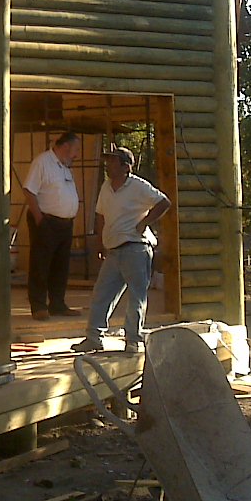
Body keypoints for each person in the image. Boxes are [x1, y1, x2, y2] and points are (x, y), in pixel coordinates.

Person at [74, 145, 170, 353]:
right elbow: (100, 215)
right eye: (108, 161)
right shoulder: (106, 186)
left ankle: (133, 340)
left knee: (136, 296)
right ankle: (94, 338)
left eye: (113, 161)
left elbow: (164, 202)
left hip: (136, 248)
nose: (108, 165)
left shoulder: (138, 186)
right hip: (114, 249)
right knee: (102, 293)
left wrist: (145, 223)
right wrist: (100, 241)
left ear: (126, 167)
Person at [21, 131, 82, 320]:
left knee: (60, 266)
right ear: (66, 146)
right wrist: (39, 219)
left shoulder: (65, 166)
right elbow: (29, 190)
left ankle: (57, 304)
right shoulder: (43, 162)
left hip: (65, 224)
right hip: (46, 221)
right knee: (41, 264)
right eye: (76, 149)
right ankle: (38, 306)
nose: (76, 154)